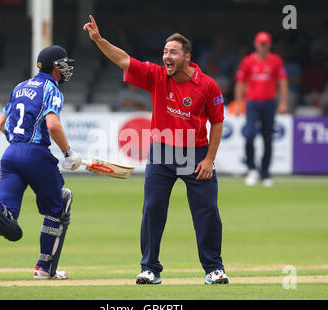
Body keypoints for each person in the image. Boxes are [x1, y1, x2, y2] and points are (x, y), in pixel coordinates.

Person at [84, 15, 228, 285]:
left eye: (173, 52)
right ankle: (150, 268)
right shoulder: (157, 75)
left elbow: (218, 122)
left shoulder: (207, 85)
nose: (166, 56)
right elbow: (123, 60)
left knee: (207, 210)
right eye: (164, 52)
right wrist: (98, 40)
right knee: (153, 208)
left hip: (194, 152)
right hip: (162, 150)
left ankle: (214, 269)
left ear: (187, 57)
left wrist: (209, 159)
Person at [0, 45, 82, 280]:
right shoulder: (52, 89)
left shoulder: (20, 86)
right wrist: (68, 153)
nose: (67, 69)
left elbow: (0, 124)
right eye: (64, 64)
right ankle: (45, 269)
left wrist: (19, 145)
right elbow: (54, 125)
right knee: (61, 204)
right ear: (56, 66)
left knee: (8, 222)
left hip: (11, 154)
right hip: (35, 155)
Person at [234, 31, 288, 187]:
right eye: (260, 43)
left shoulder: (275, 61)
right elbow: (240, 82)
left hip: (269, 103)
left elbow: (283, 81)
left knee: (268, 138)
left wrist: (283, 102)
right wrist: (238, 104)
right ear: (256, 44)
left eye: (265, 44)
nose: (263, 46)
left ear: (269, 45)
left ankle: (265, 172)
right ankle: (251, 169)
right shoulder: (248, 61)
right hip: (252, 103)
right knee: (249, 135)